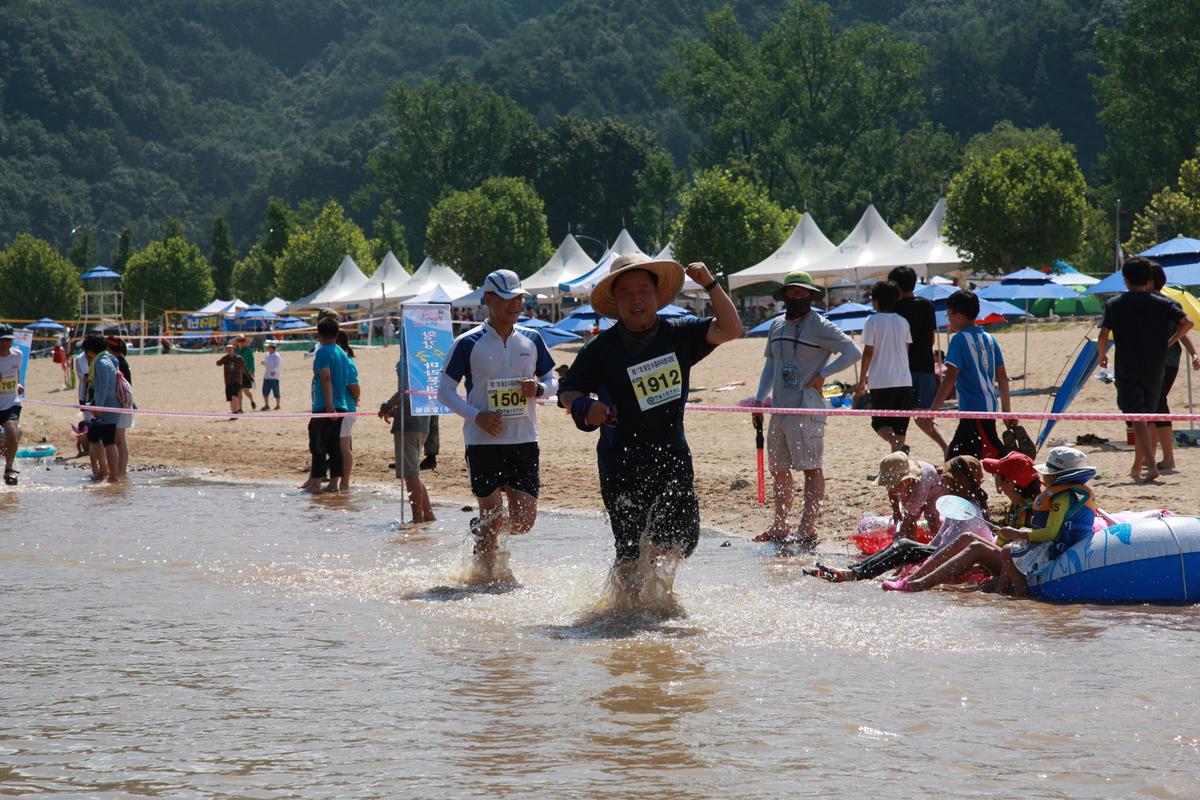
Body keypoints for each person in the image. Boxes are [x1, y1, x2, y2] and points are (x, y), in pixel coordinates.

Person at [558, 254, 743, 598]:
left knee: (679, 542)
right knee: (630, 551)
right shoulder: (600, 349)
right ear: (615, 302)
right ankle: (624, 611)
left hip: (672, 456)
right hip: (620, 462)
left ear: (657, 295)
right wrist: (585, 406)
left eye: (643, 290)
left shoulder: (680, 334)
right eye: (626, 293)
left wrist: (711, 284)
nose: (636, 299)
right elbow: (567, 390)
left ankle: (657, 602)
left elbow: (732, 329)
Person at [438, 269, 559, 559]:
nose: (515, 304)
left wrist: (539, 389)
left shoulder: (533, 339)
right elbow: (444, 391)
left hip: (524, 440)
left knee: (523, 523)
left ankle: (483, 529)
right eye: (507, 299)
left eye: (519, 298)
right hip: (482, 442)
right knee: (492, 514)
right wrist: (475, 416)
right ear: (489, 299)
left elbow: (554, 382)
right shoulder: (466, 342)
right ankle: (482, 575)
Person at [885, 447, 1097, 595]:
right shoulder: (1033, 502)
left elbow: (1049, 534)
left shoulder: (1059, 499)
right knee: (969, 538)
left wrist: (1018, 534)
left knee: (976, 546)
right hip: (1026, 552)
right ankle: (911, 580)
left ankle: (917, 585)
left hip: (1042, 557)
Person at [751, 271, 861, 547]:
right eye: (793, 292)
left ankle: (807, 528)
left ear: (811, 296)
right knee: (779, 469)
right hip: (779, 409)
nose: (798, 297)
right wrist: (758, 399)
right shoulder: (776, 325)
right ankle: (780, 526)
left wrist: (824, 374)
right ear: (785, 295)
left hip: (807, 407)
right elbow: (770, 365)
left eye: (804, 293)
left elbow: (853, 352)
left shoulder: (820, 325)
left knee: (811, 468)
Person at [805, 455, 988, 583]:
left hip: (957, 555)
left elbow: (944, 550)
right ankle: (853, 570)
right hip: (948, 550)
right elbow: (939, 539)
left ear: (957, 483)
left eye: (946, 480)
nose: (942, 483)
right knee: (904, 546)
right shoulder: (960, 506)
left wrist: (914, 570)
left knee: (904, 547)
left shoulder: (967, 512)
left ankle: (854, 574)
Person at [1096, 256, 1192, 482]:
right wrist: (1170, 341)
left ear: (1125, 280)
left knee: (1137, 419)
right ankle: (1138, 467)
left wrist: (1102, 355)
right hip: (1155, 368)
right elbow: (1187, 322)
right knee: (1147, 418)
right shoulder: (1163, 303)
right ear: (1149, 279)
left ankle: (1150, 465)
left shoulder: (1115, 304)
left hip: (1127, 368)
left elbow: (1102, 335)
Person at [930, 289, 1016, 460]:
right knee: (957, 457)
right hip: (987, 408)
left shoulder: (959, 340)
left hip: (973, 410)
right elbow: (1003, 378)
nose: (948, 319)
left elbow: (950, 377)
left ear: (959, 316)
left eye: (949, 315)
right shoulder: (991, 339)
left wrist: (932, 411)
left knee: (996, 454)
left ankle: (1024, 474)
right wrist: (1007, 413)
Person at [1131, 262, 1199, 475]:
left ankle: (1163, 458)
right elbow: (1182, 329)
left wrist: (1169, 344)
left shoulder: (1159, 302)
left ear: (1149, 282)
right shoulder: (1162, 302)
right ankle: (1159, 457)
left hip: (1164, 362)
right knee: (1158, 405)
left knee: (1154, 405)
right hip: (1164, 361)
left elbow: (1184, 327)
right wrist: (1193, 352)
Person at [890, 266, 948, 458]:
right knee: (923, 417)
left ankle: (897, 460)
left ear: (895, 285)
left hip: (902, 369)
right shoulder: (926, 305)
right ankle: (946, 447)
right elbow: (931, 339)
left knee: (899, 420)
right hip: (925, 366)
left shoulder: (894, 308)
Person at [854, 280, 913, 453]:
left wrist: (861, 382)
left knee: (879, 423)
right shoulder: (903, 322)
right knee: (900, 425)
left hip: (882, 380)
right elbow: (905, 349)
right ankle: (897, 468)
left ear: (876, 300)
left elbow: (868, 352)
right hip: (904, 380)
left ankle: (899, 447)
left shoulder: (872, 321)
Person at [379, 346, 435, 523]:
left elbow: (404, 391)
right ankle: (428, 515)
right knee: (414, 473)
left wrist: (386, 407)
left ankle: (417, 518)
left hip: (409, 423)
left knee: (410, 474)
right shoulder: (424, 362)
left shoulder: (405, 363)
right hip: (422, 420)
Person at [300, 317, 351, 493]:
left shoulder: (323, 352)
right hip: (341, 405)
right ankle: (333, 484)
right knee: (334, 446)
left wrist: (329, 405)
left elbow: (326, 376)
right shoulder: (342, 353)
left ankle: (315, 483)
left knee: (317, 445)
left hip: (325, 407)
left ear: (318, 334)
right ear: (337, 334)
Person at [80, 335, 121, 482]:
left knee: (109, 441)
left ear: (90, 351)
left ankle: (113, 475)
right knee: (93, 437)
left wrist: (99, 406)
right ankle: (103, 471)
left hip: (107, 407)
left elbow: (103, 387)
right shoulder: (110, 359)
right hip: (105, 405)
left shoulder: (102, 363)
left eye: (86, 352)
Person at [335, 330, 361, 492]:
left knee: (344, 448)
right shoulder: (341, 359)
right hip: (341, 410)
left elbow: (355, 387)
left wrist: (356, 398)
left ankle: (345, 484)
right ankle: (339, 483)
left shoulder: (347, 361)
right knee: (339, 447)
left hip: (346, 410)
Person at [0, 325, 25, 486]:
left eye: (8, 340)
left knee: (11, 428)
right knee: (11, 435)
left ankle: (9, 468)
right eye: (2, 341)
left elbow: (16, 376)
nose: (4, 344)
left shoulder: (18, 355)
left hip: (12, 402)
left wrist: (19, 384)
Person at [106, 336, 133, 480]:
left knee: (120, 440)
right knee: (120, 440)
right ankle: (120, 470)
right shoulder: (121, 360)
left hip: (121, 404)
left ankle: (121, 470)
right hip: (125, 403)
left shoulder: (117, 362)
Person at [216, 343, 251, 414]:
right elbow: (218, 363)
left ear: (234, 350)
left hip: (237, 380)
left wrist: (250, 377)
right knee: (231, 398)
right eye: (227, 349)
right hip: (228, 381)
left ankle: (235, 411)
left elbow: (245, 368)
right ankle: (234, 412)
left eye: (230, 349)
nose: (229, 350)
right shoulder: (225, 358)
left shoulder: (239, 358)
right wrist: (221, 357)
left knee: (234, 396)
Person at [235, 335, 257, 410]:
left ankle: (252, 400)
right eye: (239, 340)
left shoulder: (248, 350)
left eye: (242, 340)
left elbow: (251, 361)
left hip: (246, 373)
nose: (241, 342)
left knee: (246, 391)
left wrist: (252, 371)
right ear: (237, 342)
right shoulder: (235, 351)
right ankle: (240, 408)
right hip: (238, 373)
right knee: (239, 391)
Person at [260, 339, 282, 410]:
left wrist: (274, 371)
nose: (268, 348)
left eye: (269, 347)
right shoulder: (267, 355)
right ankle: (266, 405)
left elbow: (278, 365)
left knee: (276, 391)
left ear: (273, 348)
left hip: (274, 377)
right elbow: (268, 364)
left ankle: (278, 405)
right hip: (267, 376)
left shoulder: (277, 356)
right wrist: (264, 363)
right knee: (265, 391)